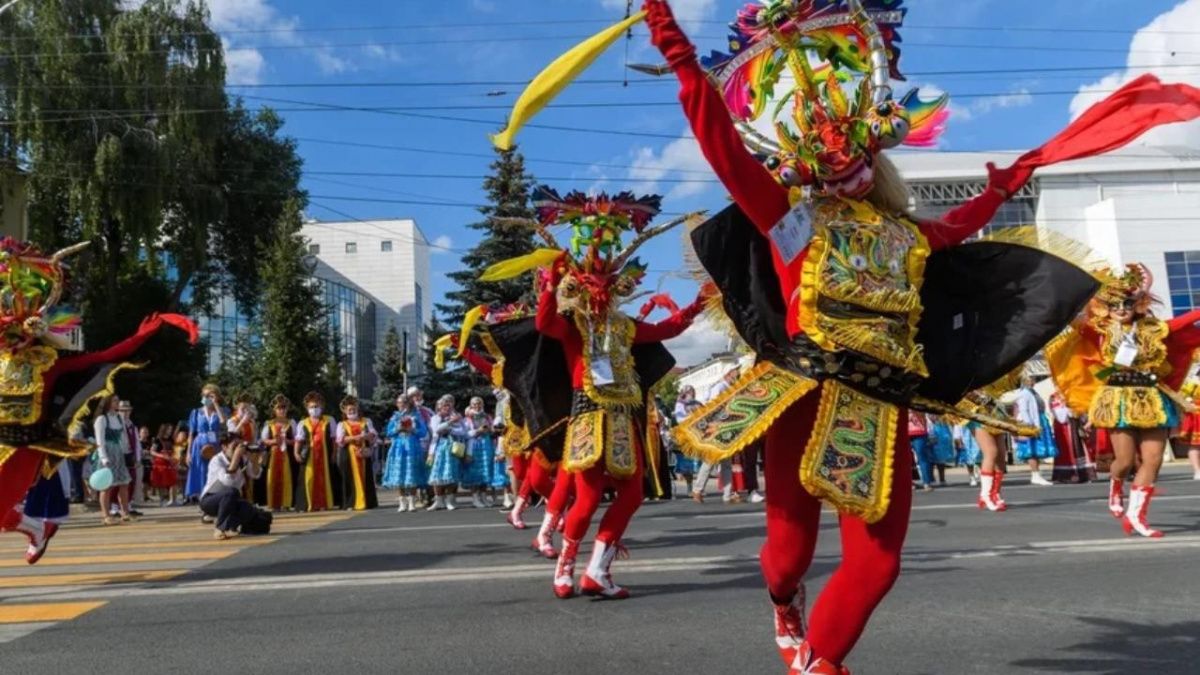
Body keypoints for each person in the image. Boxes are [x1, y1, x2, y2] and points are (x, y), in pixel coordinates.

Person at [480, 184, 707, 600]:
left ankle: (593, 570)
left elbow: (668, 330)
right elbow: (546, 324)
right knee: (585, 497)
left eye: (610, 282)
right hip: (588, 415)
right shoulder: (575, 327)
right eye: (596, 283)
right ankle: (568, 568)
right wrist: (548, 287)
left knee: (630, 493)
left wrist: (694, 306)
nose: (604, 290)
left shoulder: (624, 327)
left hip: (622, 419)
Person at [1047, 264, 1200, 538]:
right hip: (1118, 399)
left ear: (1138, 304)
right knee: (1125, 462)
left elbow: (1187, 321)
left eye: (1127, 302)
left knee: (1153, 460)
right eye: (1114, 303)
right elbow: (1071, 318)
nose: (1121, 308)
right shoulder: (1100, 331)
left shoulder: (1155, 329)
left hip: (1152, 399)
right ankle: (1116, 486)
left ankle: (1136, 515)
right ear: (1106, 306)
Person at [200, 440, 267, 540]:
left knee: (248, 509)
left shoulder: (243, 460)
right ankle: (220, 529)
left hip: (231, 500)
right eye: (234, 447)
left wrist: (254, 461)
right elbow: (227, 482)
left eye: (239, 447)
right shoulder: (217, 460)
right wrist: (235, 458)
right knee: (231, 492)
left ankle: (231, 526)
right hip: (210, 500)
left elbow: (255, 475)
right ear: (224, 447)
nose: (238, 450)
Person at [692, 368, 740, 504]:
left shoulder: (730, 388)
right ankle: (697, 489)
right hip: (716, 428)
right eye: (735, 373)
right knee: (709, 461)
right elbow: (713, 408)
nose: (737, 376)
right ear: (727, 374)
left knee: (726, 463)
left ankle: (727, 494)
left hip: (726, 428)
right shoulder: (719, 388)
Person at [382, 393, 429, 513]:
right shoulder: (395, 417)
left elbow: (423, 432)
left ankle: (412, 502)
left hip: (412, 446)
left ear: (409, 404)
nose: (402, 405)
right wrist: (398, 429)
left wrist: (412, 429)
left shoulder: (416, 416)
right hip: (398, 447)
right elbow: (388, 433)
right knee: (399, 473)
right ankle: (402, 502)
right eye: (399, 403)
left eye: (404, 402)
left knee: (411, 472)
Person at [295, 392, 340, 512]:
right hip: (309, 455)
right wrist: (296, 453)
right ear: (307, 408)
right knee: (308, 479)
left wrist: (334, 454)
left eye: (317, 406)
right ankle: (308, 504)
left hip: (325, 455)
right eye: (311, 407)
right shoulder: (302, 423)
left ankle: (325, 503)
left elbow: (334, 439)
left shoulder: (329, 420)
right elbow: (299, 440)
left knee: (324, 479)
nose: (314, 409)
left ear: (322, 407)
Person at [93, 394, 134, 525]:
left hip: (118, 453)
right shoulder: (101, 419)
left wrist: (127, 452)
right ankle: (106, 515)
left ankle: (125, 513)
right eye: (115, 400)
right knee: (106, 485)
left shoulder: (118, 417)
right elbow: (100, 441)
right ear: (108, 402)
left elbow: (123, 437)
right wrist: (104, 458)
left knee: (124, 483)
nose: (118, 402)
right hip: (107, 453)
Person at [184, 384, 228, 502]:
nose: (207, 398)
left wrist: (215, 404)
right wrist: (188, 453)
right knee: (201, 472)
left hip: (215, 445)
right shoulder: (196, 412)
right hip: (199, 444)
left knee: (214, 471)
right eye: (205, 395)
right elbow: (191, 433)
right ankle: (203, 501)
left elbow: (223, 422)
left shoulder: (221, 411)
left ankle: (213, 499)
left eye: (210, 395)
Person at [336, 395, 379, 511]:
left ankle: (367, 501)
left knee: (366, 476)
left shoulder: (366, 421)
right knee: (350, 478)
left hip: (364, 452)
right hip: (349, 454)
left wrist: (367, 436)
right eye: (349, 410)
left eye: (354, 409)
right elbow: (340, 440)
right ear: (345, 411)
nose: (352, 411)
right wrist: (356, 437)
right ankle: (351, 502)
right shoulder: (342, 424)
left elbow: (374, 435)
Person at [1012, 377, 1057, 486]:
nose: (1033, 381)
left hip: (1039, 420)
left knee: (1037, 449)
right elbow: (1024, 410)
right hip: (1031, 423)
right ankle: (1035, 474)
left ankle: (1037, 474)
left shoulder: (1032, 392)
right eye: (1031, 379)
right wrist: (1030, 426)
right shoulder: (1024, 394)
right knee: (1031, 449)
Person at [426, 395, 466, 511]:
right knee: (437, 473)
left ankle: (450, 500)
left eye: (448, 405)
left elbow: (463, 431)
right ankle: (438, 500)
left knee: (452, 473)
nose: (446, 408)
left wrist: (451, 429)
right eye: (444, 406)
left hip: (453, 448)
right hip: (439, 448)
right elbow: (436, 430)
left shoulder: (456, 417)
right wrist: (449, 423)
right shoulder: (435, 418)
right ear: (439, 407)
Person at [1050, 391, 1096, 483]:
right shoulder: (1054, 396)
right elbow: (1060, 417)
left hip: (1075, 424)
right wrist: (1068, 407)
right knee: (1068, 449)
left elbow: (1081, 409)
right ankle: (1068, 475)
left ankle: (1084, 474)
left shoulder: (1074, 392)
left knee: (1079, 448)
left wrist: (1080, 413)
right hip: (1064, 427)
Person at [260, 395, 296, 512]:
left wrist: (287, 441)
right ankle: (273, 503)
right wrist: (274, 441)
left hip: (287, 454)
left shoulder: (292, 423)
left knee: (287, 478)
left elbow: (297, 439)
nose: (282, 410)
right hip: (273, 454)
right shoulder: (269, 423)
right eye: (279, 408)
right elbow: (263, 440)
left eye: (284, 408)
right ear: (274, 410)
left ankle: (286, 503)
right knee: (272, 477)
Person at [461, 396, 495, 509]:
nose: (477, 406)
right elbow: (465, 434)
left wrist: (490, 430)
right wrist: (477, 431)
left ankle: (483, 496)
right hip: (474, 446)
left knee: (485, 470)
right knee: (475, 471)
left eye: (479, 403)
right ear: (471, 405)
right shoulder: (467, 418)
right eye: (474, 404)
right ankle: (475, 498)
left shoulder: (487, 416)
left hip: (486, 445)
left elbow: (492, 431)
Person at [672, 385, 703, 495]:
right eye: (690, 392)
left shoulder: (697, 403)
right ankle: (690, 488)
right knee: (687, 464)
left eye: (693, 391)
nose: (692, 393)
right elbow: (680, 419)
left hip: (698, 435)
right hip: (686, 436)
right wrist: (692, 418)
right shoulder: (680, 404)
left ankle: (698, 488)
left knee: (699, 462)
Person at [1173, 378, 1200, 480]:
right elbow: (1181, 396)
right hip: (1196, 415)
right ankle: (1197, 470)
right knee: (1195, 445)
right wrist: (1187, 402)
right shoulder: (1193, 381)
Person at [149, 424, 180, 505]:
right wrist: (162, 456)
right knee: (161, 482)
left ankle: (173, 500)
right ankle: (162, 500)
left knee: (173, 481)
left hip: (170, 462)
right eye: (168, 429)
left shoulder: (171, 440)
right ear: (164, 430)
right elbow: (152, 451)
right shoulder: (157, 440)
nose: (170, 432)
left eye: (170, 430)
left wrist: (175, 458)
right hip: (160, 463)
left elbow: (175, 450)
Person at [908, 411, 935, 492]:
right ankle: (909, 482)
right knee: (906, 459)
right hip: (903, 431)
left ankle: (926, 482)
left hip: (919, 431)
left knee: (922, 457)